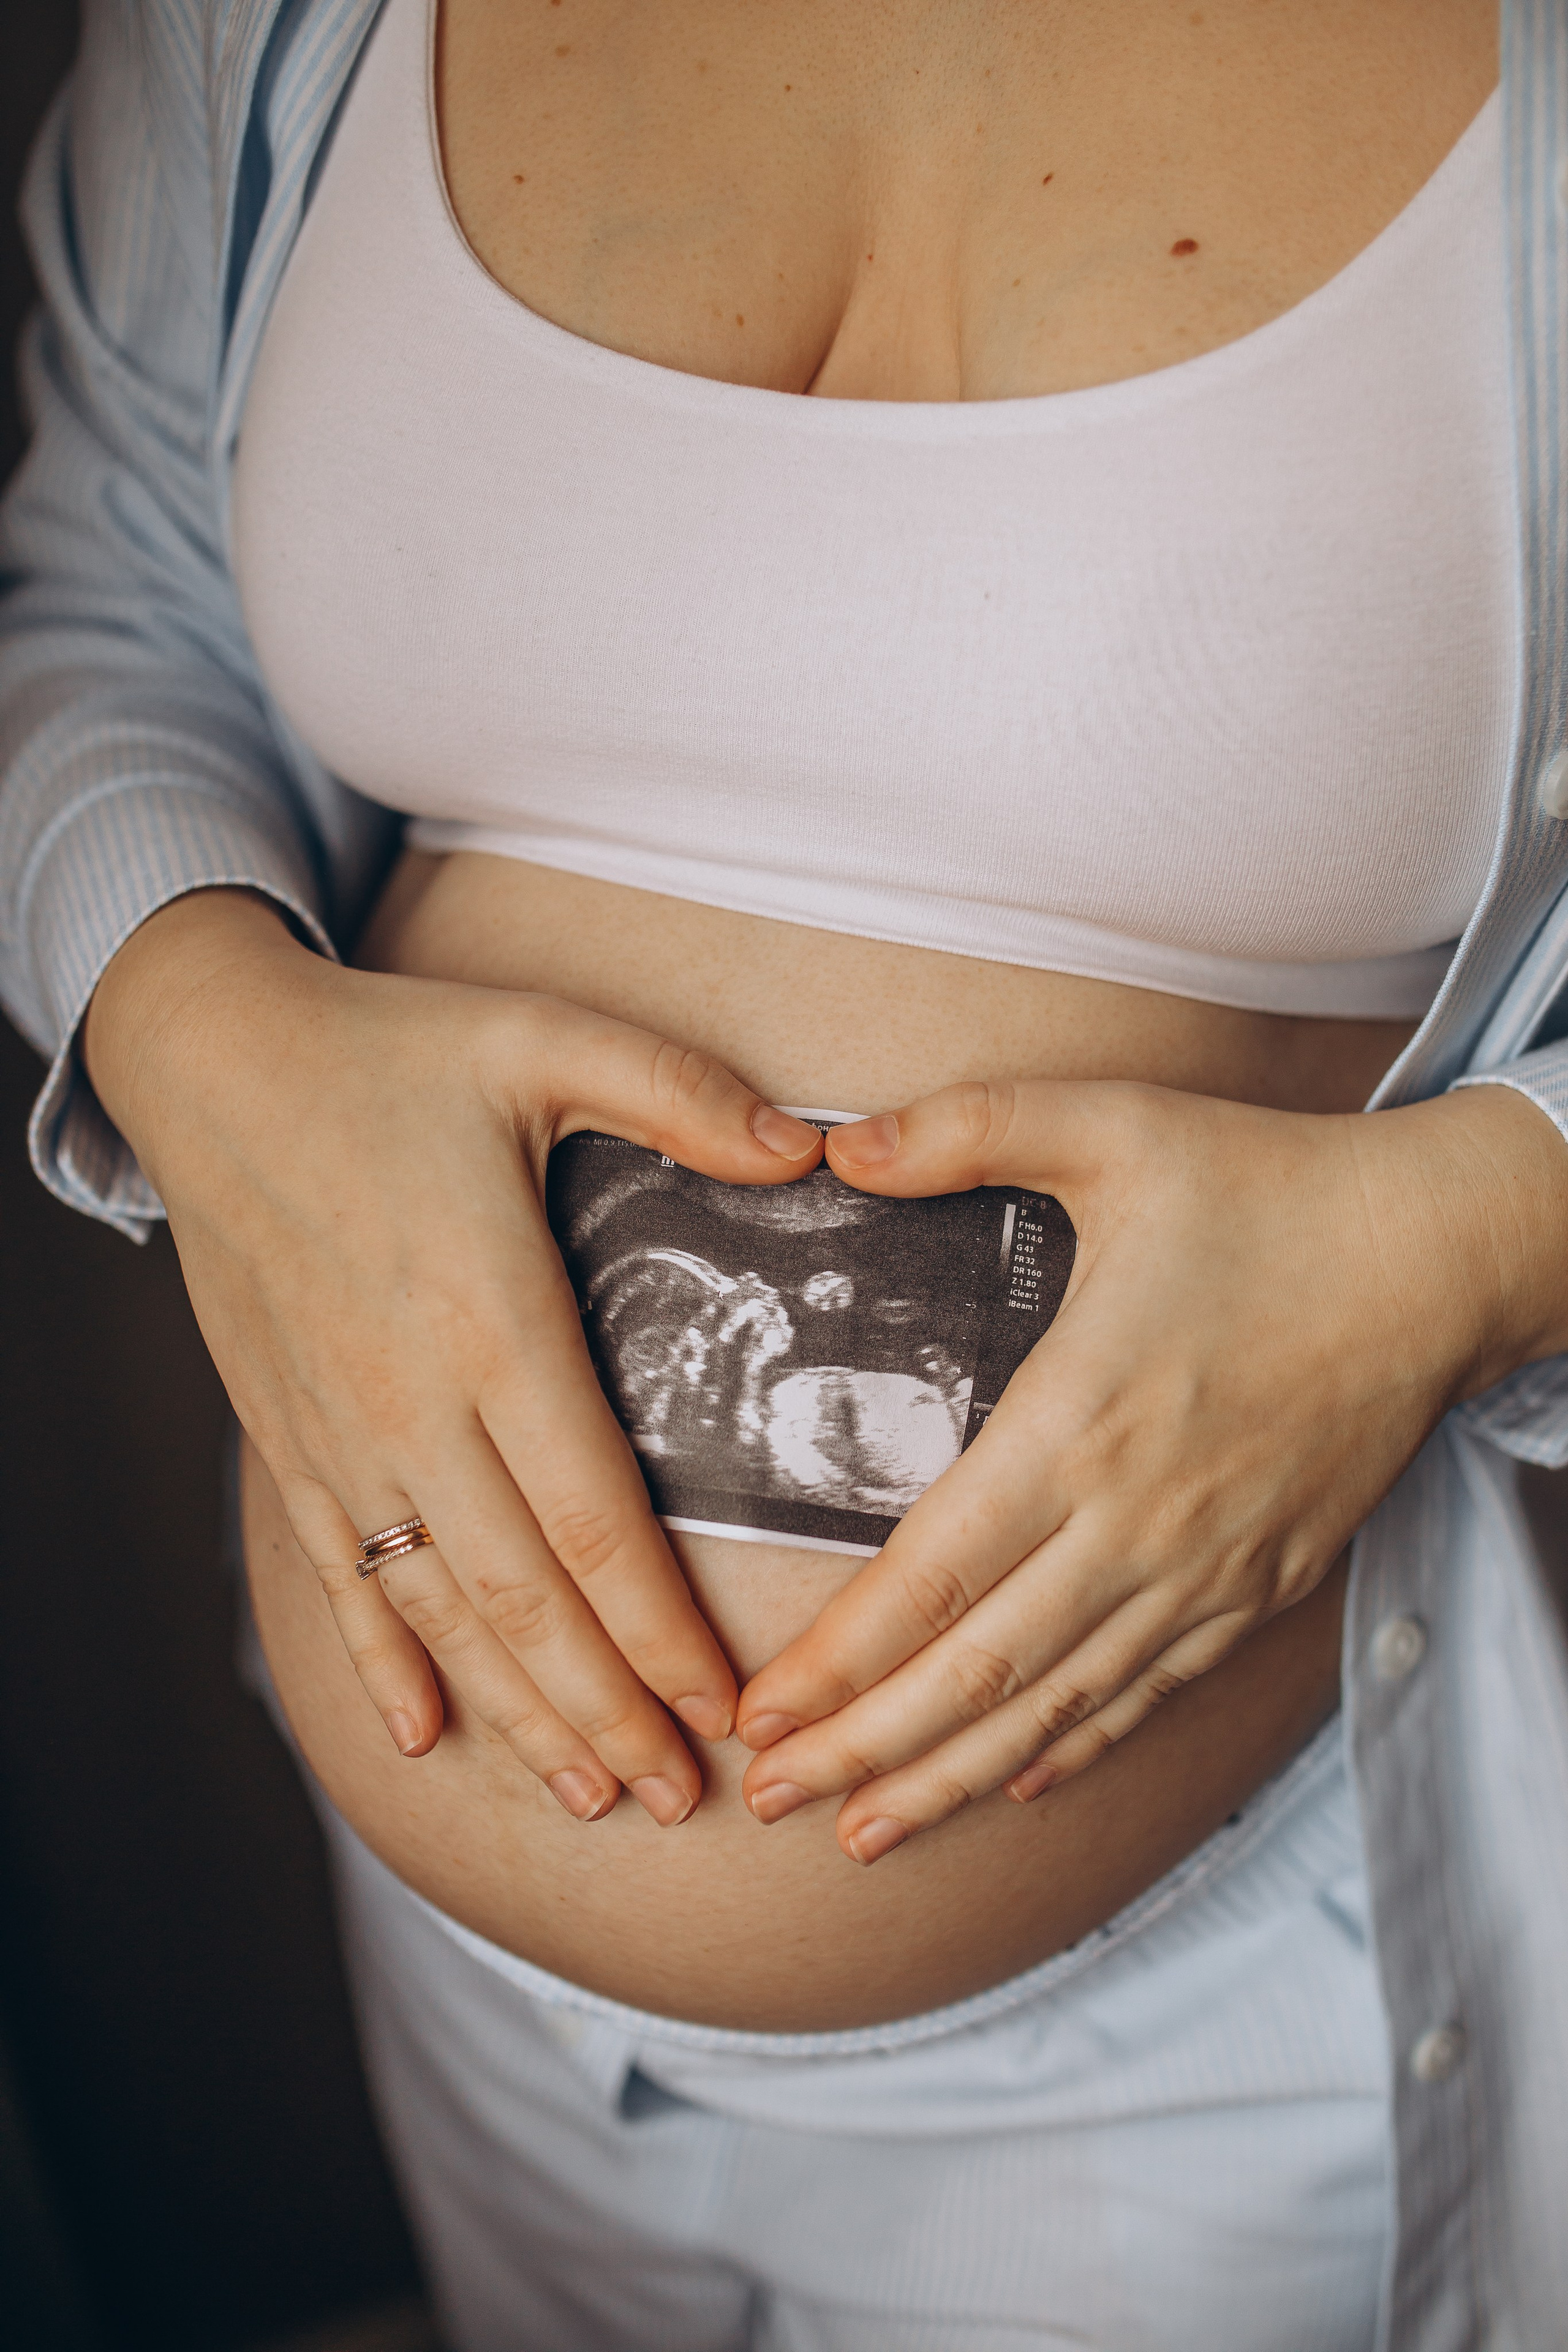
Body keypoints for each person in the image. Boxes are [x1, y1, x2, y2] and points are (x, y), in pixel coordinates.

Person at [3, 0, 1567, 2343]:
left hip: (1213, 2052)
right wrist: (202, 1030)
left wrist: (1468, 1237)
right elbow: (103, 579)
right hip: (470, 1971)